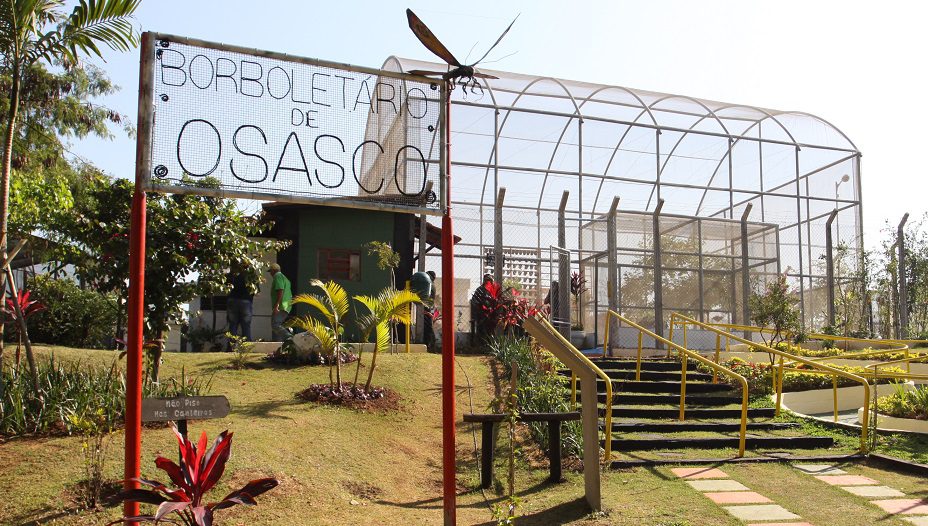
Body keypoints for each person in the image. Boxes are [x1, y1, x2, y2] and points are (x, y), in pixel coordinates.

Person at [226, 265, 254, 341]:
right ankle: (246, 345)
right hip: (246, 301)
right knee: (246, 325)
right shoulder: (251, 275)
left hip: (232, 300)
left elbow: (226, 287)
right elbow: (256, 291)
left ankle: (232, 346)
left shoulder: (232, 274)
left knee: (233, 324)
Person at [268, 263, 292, 341]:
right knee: (277, 327)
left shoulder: (277, 276)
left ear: (273, 270)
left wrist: (277, 305)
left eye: (270, 271)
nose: (270, 274)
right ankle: (278, 346)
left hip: (281, 305)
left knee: (275, 324)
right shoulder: (285, 278)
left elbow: (280, 290)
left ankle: (290, 338)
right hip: (286, 305)